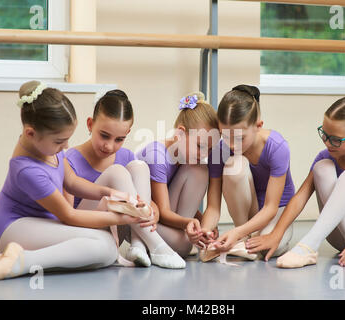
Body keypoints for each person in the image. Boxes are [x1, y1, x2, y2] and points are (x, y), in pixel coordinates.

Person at [0, 81, 143, 282]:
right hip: (12, 229)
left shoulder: (48, 149)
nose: (66, 146)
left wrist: (108, 192)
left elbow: (71, 181)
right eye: (59, 141)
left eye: (66, 139)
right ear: (30, 133)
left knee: (106, 245)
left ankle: (20, 258)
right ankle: (20, 261)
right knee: (106, 248)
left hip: (42, 224)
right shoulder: (27, 170)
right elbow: (69, 214)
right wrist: (122, 219)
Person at [247, 97, 345, 268]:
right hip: (340, 238)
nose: (327, 142)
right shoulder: (325, 156)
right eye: (324, 134)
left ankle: (308, 246)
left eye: (336, 139)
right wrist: (276, 234)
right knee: (322, 167)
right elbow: (300, 197)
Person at [65, 89, 185, 268]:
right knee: (117, 172)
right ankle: (156, 246)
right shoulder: (70, 160)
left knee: (139, 166)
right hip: (88, 230)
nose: (109, 145)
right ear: (90, 124)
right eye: (104, 135)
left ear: (128, 133)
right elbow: (67, 216)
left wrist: (154, 211)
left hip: (124, 231)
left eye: (119, 139)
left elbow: (146, 202)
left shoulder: (127, 156)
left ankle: (138, 245)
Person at [187, 85, 295, 259]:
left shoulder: (277, 148)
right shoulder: (219, 151)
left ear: (258, 126)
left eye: (239, 138)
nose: (231, 144)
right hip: (246, 215)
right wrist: (205, 231)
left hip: (276, 212)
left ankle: (243, 238)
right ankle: (244, 237)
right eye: (225, 135)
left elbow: (270, 207)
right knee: (235, 165)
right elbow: (213, 206)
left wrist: (236, 233)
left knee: (266, 248)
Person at [136, 92, 219, 258]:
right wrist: (189, 224)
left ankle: (185, 236)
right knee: (184, 245)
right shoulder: (157, 155)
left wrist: (202, 224)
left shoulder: (183, 157)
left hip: (162, 218)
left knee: (200, 169)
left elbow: (179, 200)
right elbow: (164, 212)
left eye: (209, 150)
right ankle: (151, 244)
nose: (204, 154)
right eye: (200, 146)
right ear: (180, 134)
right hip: (144, 221)